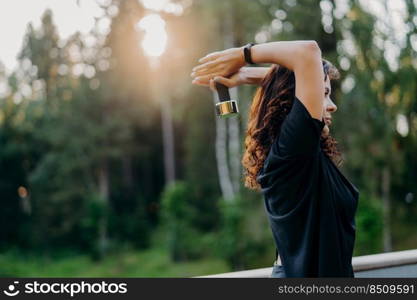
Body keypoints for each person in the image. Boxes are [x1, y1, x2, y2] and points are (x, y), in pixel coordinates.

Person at [190, 40, 360, 278]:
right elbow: (308, 52)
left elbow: (291, 79)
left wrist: (247, 75)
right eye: (324, 94)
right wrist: (244, 54)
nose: (332, 106)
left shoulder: (299, 154)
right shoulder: (293, 151)